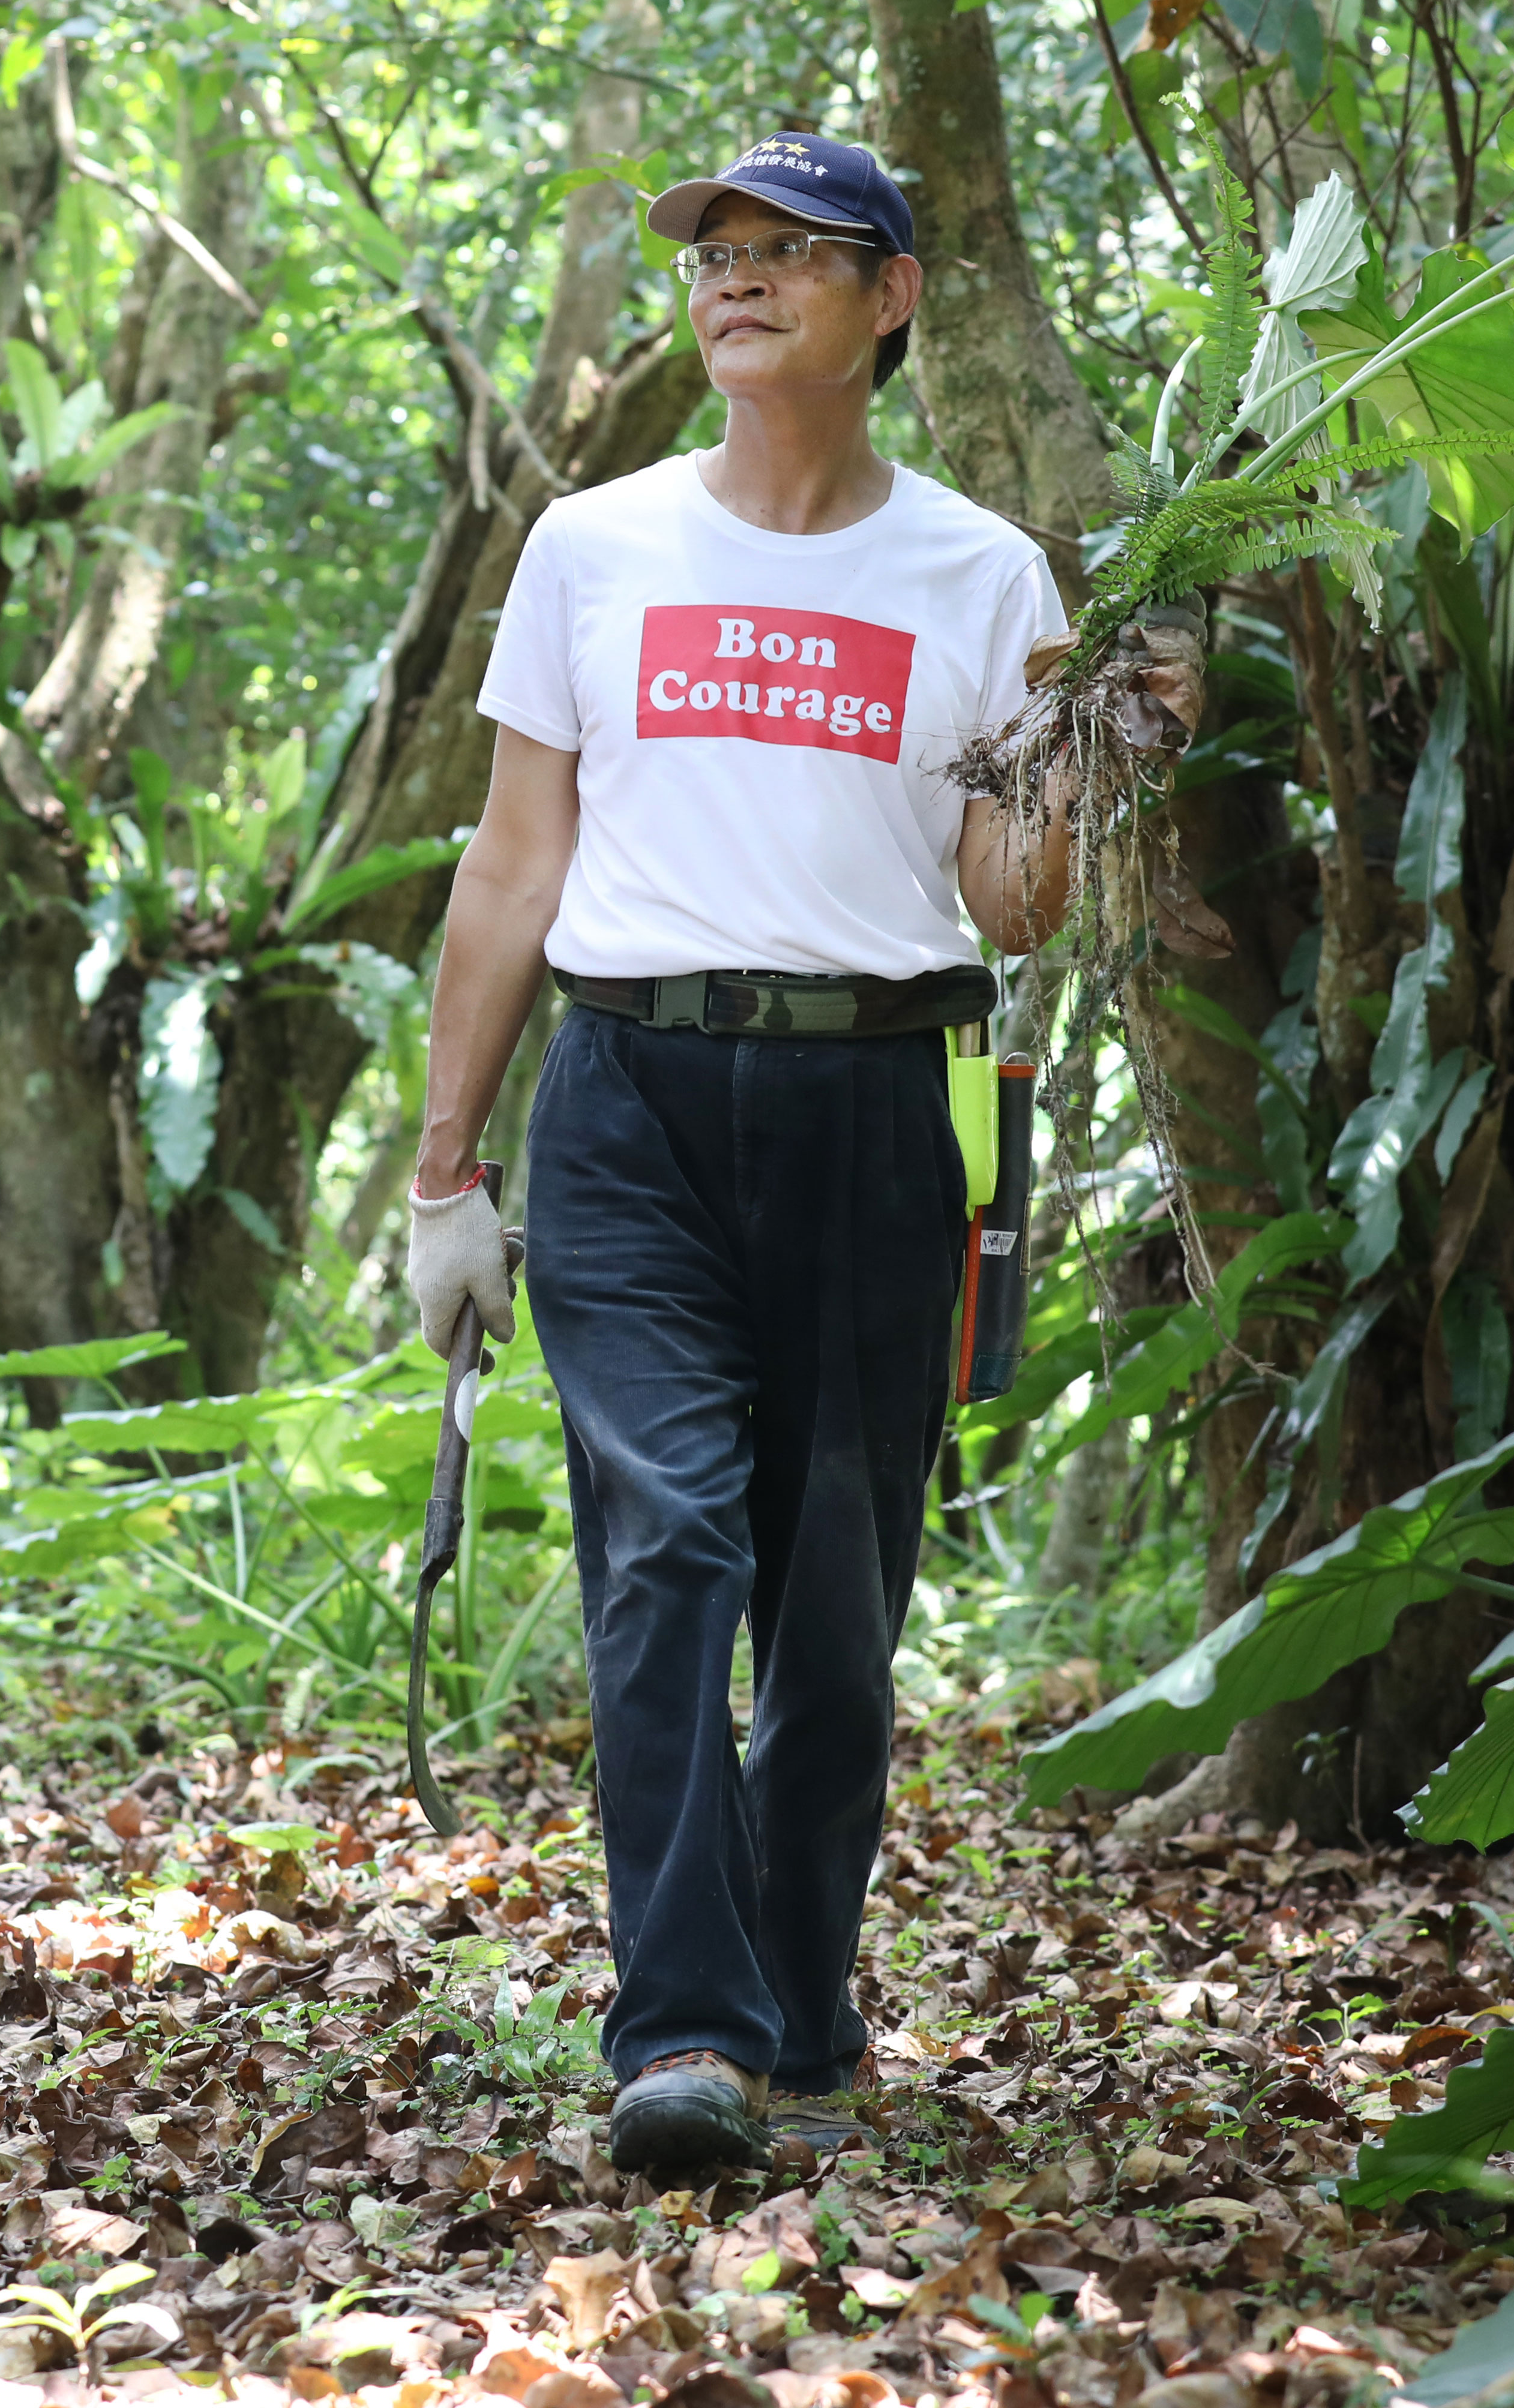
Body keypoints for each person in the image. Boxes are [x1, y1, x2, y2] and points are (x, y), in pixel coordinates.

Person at [403, 129, 1196, 2172]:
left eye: (787, 252)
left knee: (834, 1593)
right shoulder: (595, 545)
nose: (733, 280)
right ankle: (679, 2034)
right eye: (713, 253)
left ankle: (808, 2023)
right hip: (632, 1098)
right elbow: (511, 866)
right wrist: (444, 1175)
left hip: (880, 1105)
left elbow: (1014, 905)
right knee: (664, 1544)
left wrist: (1106, 750)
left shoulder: (982, 572)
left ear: (892, 297)